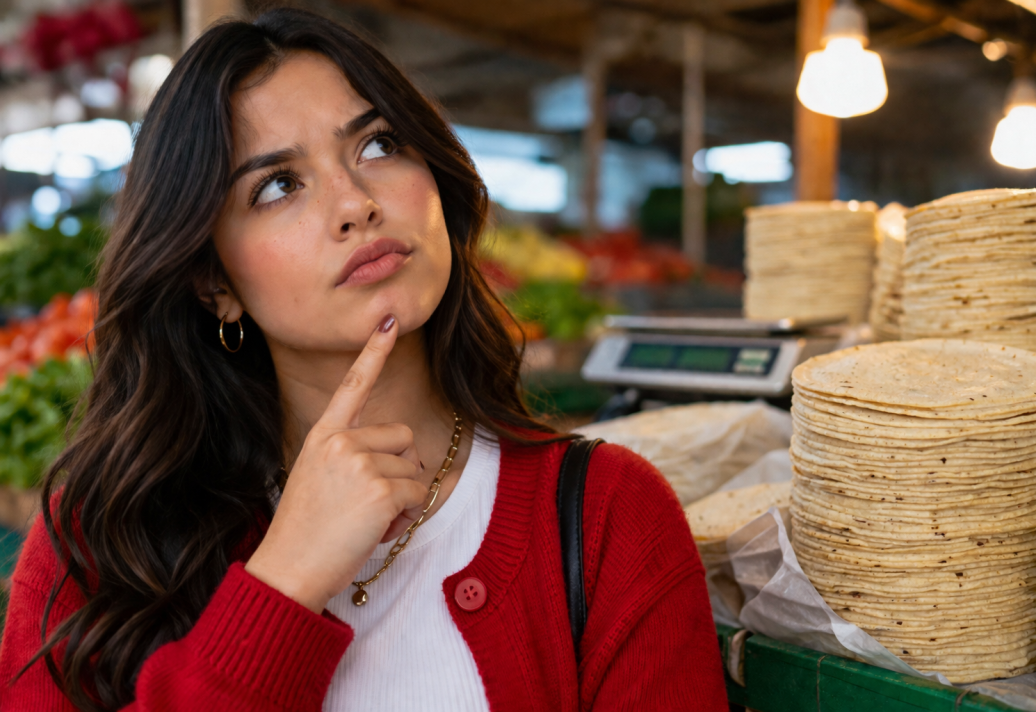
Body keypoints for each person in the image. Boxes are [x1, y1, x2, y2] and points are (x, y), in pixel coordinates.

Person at [0, 9, 729, 712]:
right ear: (214, 282)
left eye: (378, 145)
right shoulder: (103, 532)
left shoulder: (611, 516)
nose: (355, 203)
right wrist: (284, 582)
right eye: (277, 185)